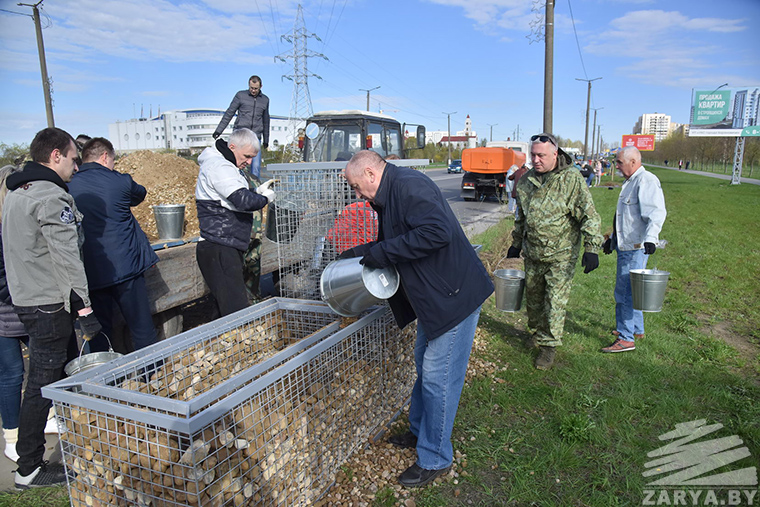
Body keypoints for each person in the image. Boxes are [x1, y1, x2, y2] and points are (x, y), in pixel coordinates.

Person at [341, 150, 494, 488]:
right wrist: (361, 254)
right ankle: (420, 432)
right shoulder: (390, 192)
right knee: (426, 367)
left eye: (355, 186)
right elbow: (397, 239)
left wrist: (378, 253)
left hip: (454, 296)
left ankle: (435, 457)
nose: (356, 194)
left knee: (440, 378)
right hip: (436, 296)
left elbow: (436, 232)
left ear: (369, 172)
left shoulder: (409, 186)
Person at [2, 127, 102, 488]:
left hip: (27, 299)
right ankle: (28, 467)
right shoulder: (49, 197)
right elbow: (66, 257)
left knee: (57, 376)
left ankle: (79, 440)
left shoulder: (16, 193)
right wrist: (85, 308)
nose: (77, 168)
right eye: (75, 159)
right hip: (48, 304)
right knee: (42, 381)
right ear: (55, 155)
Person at [507, 133, 602, 370]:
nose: (536, 160)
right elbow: (521, 217)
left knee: (554, 301)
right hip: (534, 252)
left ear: (555, 154)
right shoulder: (527, 180)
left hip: (562, 253)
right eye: (533, 155)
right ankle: (539, 333)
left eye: (541, 155)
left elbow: (588, 214)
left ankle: (549, 347)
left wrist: (592, 247)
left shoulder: (570, 179)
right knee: (535, 298)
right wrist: (516, 243)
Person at [67, 137, 159, 353]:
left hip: (92, 273)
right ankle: (151, 375)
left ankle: (106, 381)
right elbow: (140, 194)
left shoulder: (68, 187)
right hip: (126, 268)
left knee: (100, 333)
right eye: (113, 161)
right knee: (141, 327)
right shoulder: (120, 181)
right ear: (105, 156)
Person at [195, 128, 274, 317]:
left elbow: (230, 198)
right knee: (235, 310)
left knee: (224, 306)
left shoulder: (226, 165)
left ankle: (222, 343)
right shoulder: (219, 166)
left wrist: (256, 192)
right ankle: (236, 343)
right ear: (232, 147)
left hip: (225, 245)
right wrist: (266, 199)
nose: (249, 162)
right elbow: (242, 201)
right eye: (247, 156)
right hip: (220, 247)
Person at [601, 147, 666, 353]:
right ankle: (637, 329)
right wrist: (611, 240)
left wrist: (651, 239)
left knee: (625, 293)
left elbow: (655, 212)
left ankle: (626, 338)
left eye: (619, 162)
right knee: (632, 290)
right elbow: (624, 218)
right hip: (626, 245)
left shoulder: (645, 180)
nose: (616, 166)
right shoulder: (631, 182)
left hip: (635, 247)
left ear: (633, 161)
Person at [0, 165, 29, 463]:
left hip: (21, 307)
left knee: (47, 365)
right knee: (11, 375)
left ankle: (42, 418)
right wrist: (20, 296)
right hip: (8, 310)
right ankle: (11, 435)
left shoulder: (14, 220)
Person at [213, 75, 270, 180]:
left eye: (256, 88)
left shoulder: (265, 100)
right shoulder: (240, 96)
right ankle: (235, 184)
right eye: (251, 88)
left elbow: (266, 120)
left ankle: (254, 190)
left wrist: (266, 140)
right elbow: (229, 113)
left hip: (255, 136)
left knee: (255, 166)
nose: (253, 90)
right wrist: (219, 130)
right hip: (241, 135)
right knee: (236, 163)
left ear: (261, 86)